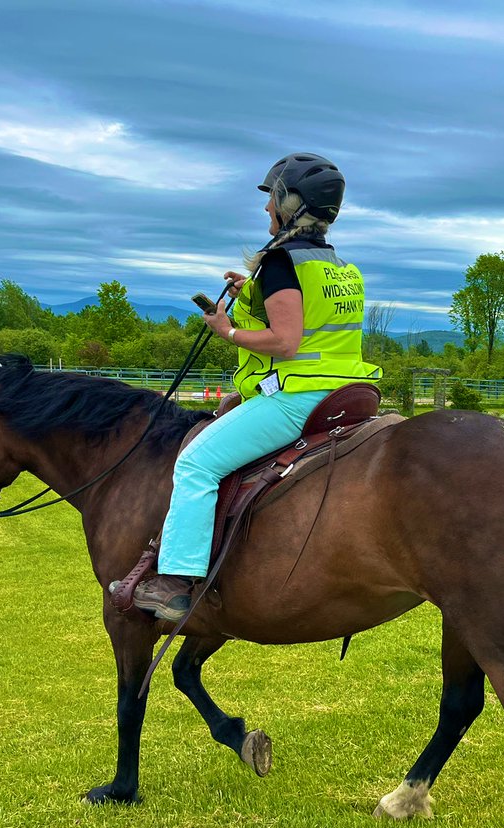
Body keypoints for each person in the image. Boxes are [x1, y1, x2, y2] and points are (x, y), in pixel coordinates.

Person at [128, 153, 382, 621]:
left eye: (272, 201)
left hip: (299, 399)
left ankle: (175, 581)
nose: (266, 211)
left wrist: (227, 330)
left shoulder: (283, 262)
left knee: (196, 464)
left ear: (291, 204)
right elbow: (314, 322)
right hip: (345, 391)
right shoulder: (338, 265)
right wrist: (255, 291)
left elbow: (285, 341)